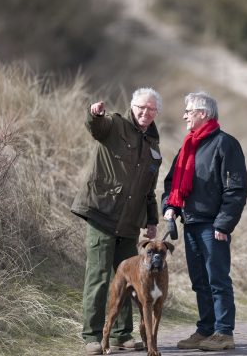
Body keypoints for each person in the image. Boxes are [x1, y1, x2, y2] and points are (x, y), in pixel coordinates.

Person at [71, 87, 163, 355]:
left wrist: (152, 220)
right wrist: (94, 114)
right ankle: (92, 336)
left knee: (129, 279)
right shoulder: (115, 125)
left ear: (156, 113)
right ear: (132, 106)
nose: (145, 113)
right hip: (103, 213)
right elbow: (96, 127)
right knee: (98, 276)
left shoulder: (154, 147)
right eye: (141, 108)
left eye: (151, 109)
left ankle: (123, 334)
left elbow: (149, 190)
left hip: (131, 224)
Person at [162, 91, 247, 351]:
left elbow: (236, 189)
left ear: (203, 113)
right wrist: (170, 206)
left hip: (213, 226)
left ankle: (224, 333)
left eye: (188, 111)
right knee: (199, 281)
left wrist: (224, 224)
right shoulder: (189, 145)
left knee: (217, 280)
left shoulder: (225, 144)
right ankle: (205, 329)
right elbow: (171, 182)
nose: (184, 115)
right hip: (190, 223)